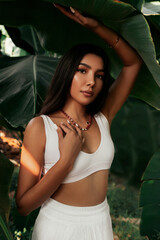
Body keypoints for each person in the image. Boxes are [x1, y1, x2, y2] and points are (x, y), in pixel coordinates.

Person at [16, 4, 142, 240]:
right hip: (57, 227)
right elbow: (23, 206)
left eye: (99, 75)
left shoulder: (103, 117)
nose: (91, 81)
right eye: (82, 71)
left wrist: (96, 27)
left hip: (100, 223)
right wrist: (65, 162)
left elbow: (132, 63)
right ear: (67, 73)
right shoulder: (40, 126)